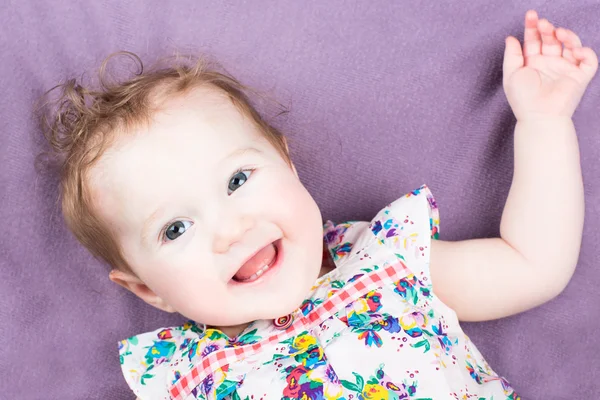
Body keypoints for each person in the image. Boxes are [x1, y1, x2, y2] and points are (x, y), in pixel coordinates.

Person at [41, 9, 597, 400]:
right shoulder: (183, 376)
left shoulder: (386, 262)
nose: (230, 230)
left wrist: (543, 123)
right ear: (148, 290)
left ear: (288, 164)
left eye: (236, 180)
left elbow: (532, 263)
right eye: (176, 228)